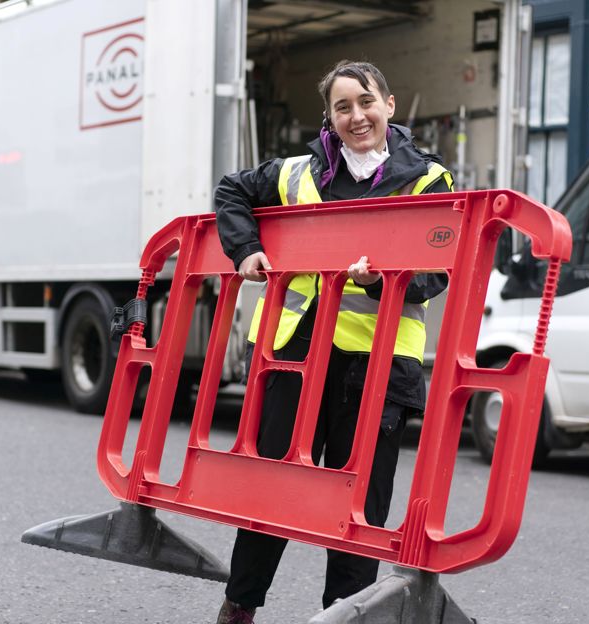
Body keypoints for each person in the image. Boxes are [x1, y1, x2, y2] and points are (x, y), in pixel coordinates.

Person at [212, 60, 454, 624]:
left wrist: (382, 280)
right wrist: (245, 248)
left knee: (359, 506)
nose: (356, 116)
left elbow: (436, 273)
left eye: (366, 102)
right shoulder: (299, 171)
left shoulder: (428, 179)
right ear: (329, 116)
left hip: (378, 364)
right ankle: (239, 607)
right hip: (294, 355)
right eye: (342, 107)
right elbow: (231, 190)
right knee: (272, 490)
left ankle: (343, 617)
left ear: (389, 105)